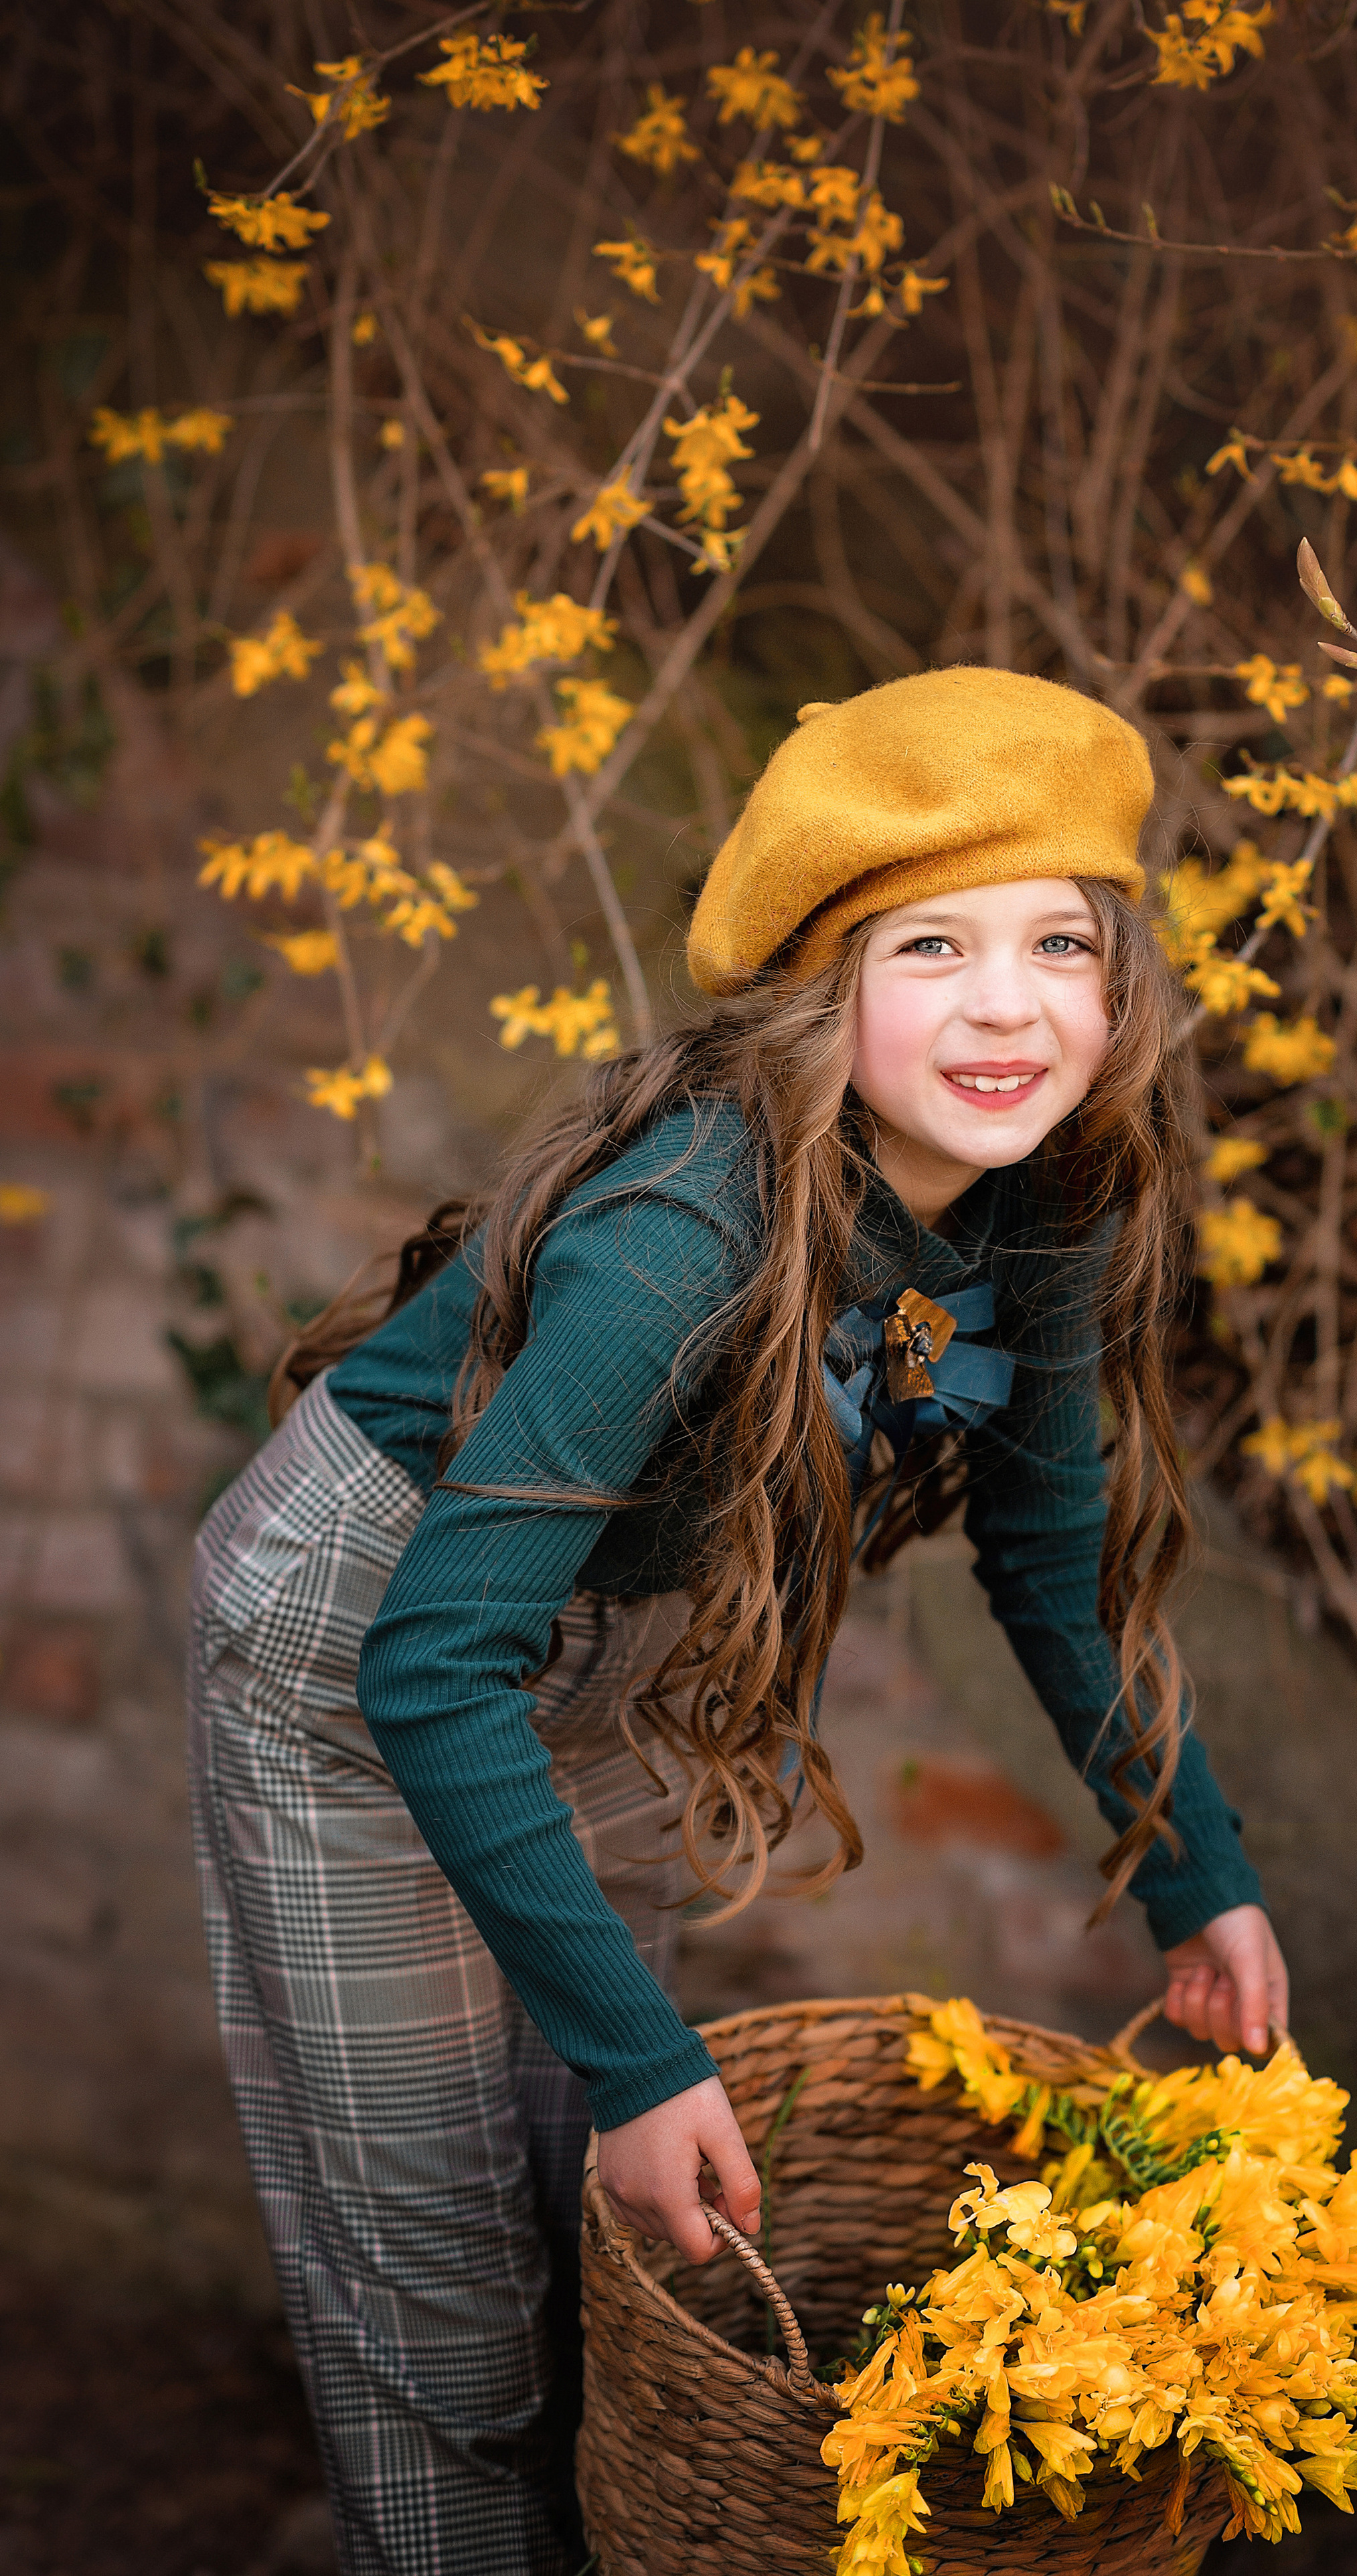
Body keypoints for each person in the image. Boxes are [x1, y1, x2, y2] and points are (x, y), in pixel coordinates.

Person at [187, 665, 1289, 2576]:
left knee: (606, 2239)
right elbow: (433, 1663)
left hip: (599, 1626)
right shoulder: (686, 1232)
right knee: (453, 2272)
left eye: (1060, 943)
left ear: (1123, 985)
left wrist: (1199, 1875)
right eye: (931, 944)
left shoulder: (1057, 1203)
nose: (1008, 1004)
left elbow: (1047, 1561)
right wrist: (644, 2067)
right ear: (821, 984)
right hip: (362, 1640)